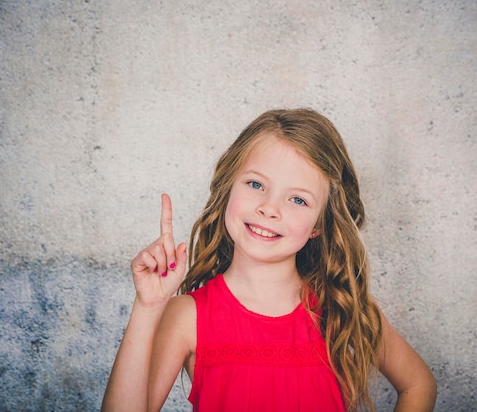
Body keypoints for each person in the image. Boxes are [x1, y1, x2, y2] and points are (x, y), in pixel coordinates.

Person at [101, 109, 437, 412]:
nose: (269, 208)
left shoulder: (342, 308)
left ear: (319, 225)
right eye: (256, 184)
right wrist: (147, 308)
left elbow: (418, 384)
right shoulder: (187, 316)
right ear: (228, 187)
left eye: (297, 199)